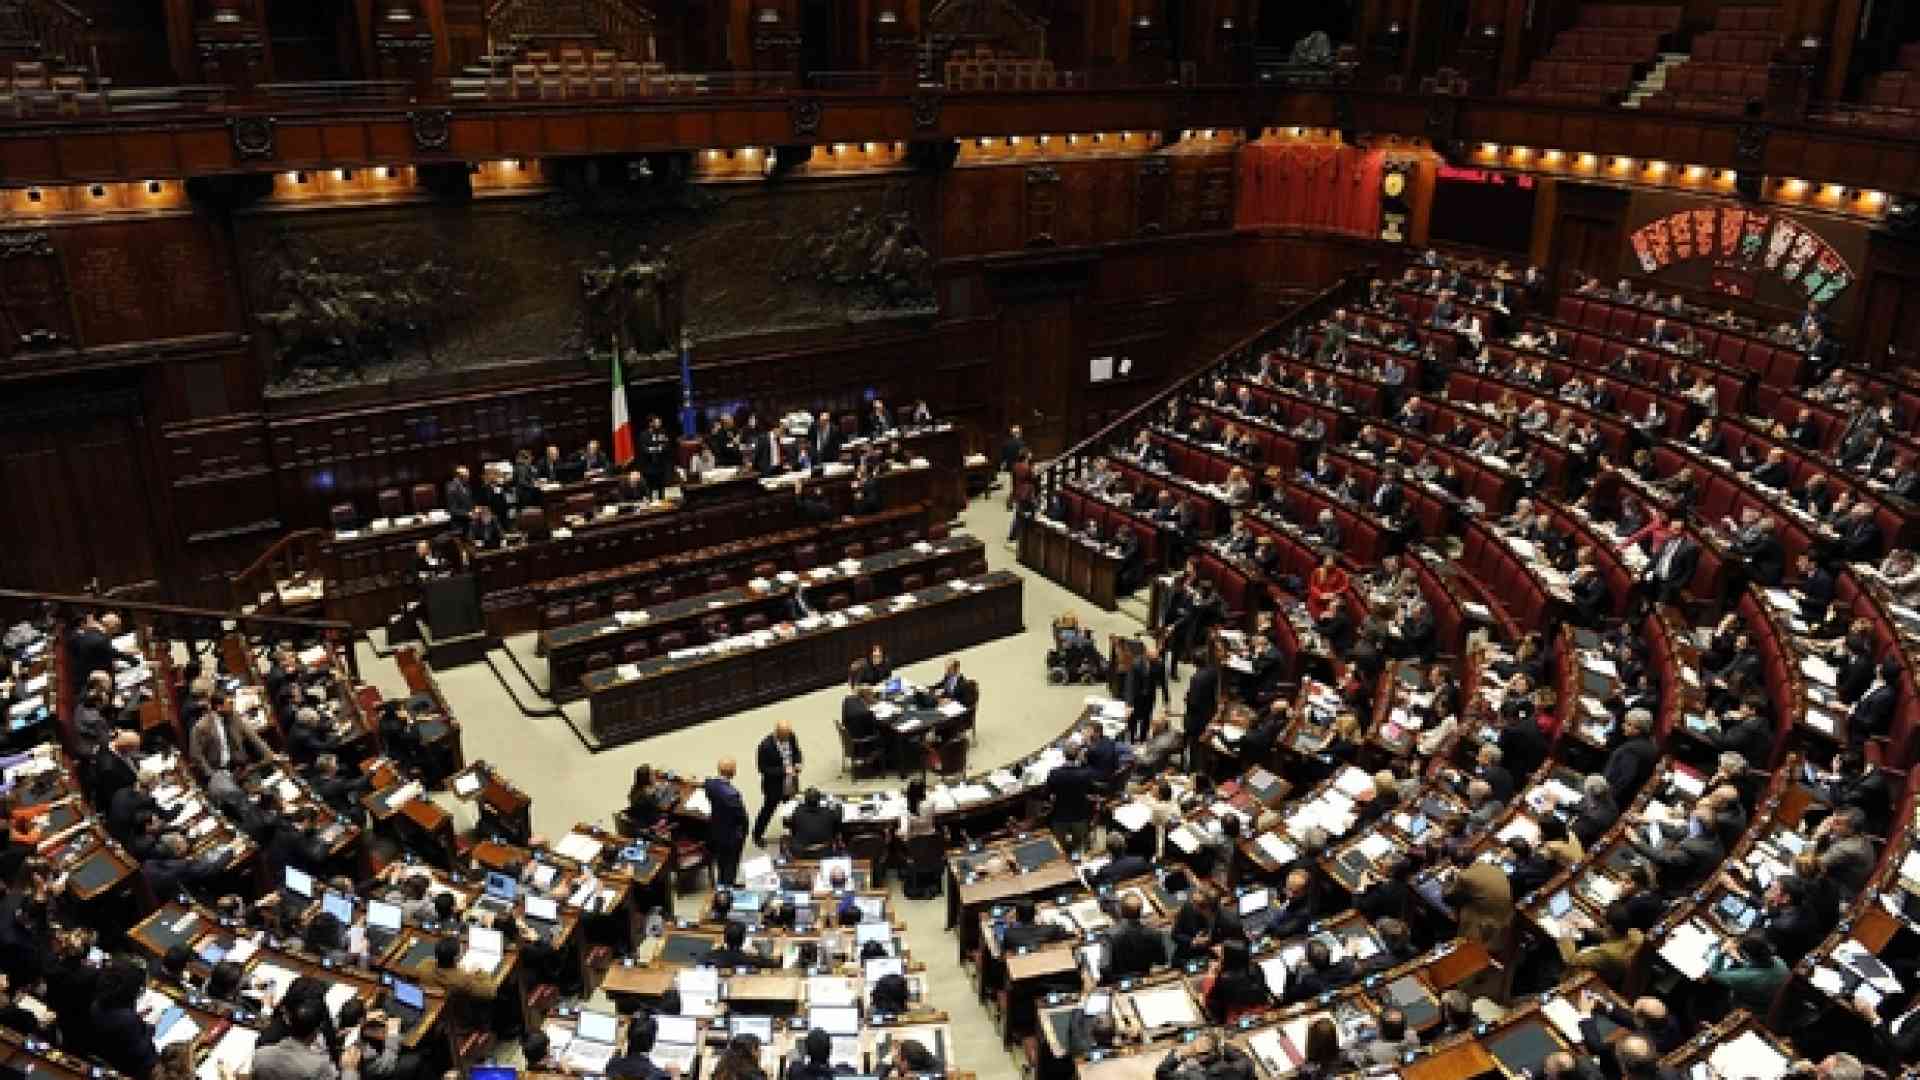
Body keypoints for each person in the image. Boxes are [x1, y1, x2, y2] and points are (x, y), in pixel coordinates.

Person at [751, 720, 803, 847]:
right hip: (774, 786)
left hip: (791, 782)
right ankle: (757, 835)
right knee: (768, 811)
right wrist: (783, 770)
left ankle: (793, 834)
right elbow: (763, 769)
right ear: (777, 733)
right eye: (784, 736)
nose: (787, 738)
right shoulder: (765, 746)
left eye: (788, 735)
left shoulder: (791, 736)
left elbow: (797, 751)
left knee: (792, 809)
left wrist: (797, 762)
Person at [706, 758, 749, 887]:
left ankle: (722, 885)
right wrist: (745, 832)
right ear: (733, 772)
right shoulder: (731, 794)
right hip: (731, 836)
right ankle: (728, 888)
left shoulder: (710, 785)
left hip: (716, 831)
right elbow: (741, 817)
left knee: (721, 864)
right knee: (730, 865)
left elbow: (706, 782)